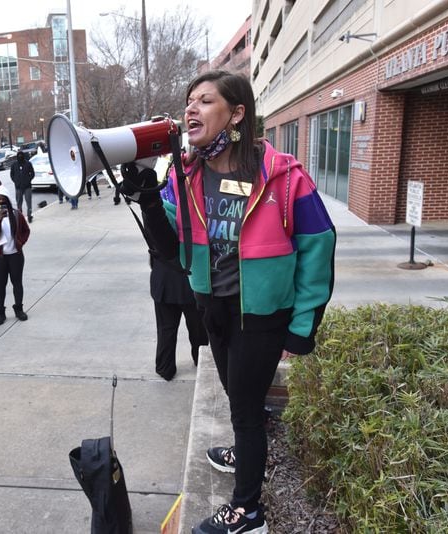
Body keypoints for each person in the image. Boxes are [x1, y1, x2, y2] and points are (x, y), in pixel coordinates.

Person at [126, 70, 336, 534]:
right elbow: (167, 246)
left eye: (204, 101)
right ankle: (247, 451)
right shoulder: (188, 175)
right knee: (237, 393)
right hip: (214, 308)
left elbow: (318, 247)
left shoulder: (282, 177)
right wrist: (145, 192)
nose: (191, 109)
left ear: (236, 113)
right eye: (189, 101)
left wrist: (301, 329)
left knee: (242, 407)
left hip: (261, 315)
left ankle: (249, 511)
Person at [149, 254, 208, 381]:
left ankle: (165, 367)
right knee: (198, 330)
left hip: (163, 278)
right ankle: (201, 360)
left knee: (166, 330)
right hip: (191, 279)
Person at [0, 185, 30, 325]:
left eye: (3, 199)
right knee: (0, 284)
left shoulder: (16, 214)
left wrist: (20, 243)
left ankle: (18, 309)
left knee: (17, 283)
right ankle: (1, 312)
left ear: (8, 200)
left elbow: (26, 230)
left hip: (15, 255)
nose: (0, 202)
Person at [10, 151, 35, 223]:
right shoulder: (14, 165)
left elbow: (32, 173)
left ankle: (29, 215)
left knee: (29, 202)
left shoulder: (28, 163)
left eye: (21, 155)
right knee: (19, 203)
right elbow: (12, 175)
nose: (20, 156)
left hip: (27, 186)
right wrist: (16, 181)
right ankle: (20, 216)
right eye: (19, 155)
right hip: (18, 187)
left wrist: (28, 180)